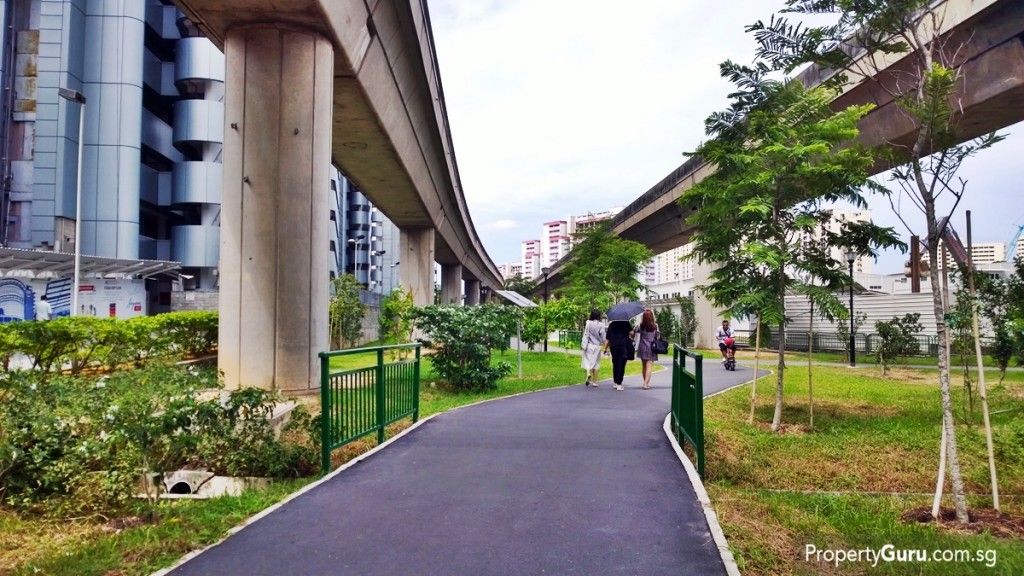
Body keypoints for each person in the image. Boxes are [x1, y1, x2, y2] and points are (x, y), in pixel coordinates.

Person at [602, 319, 634, 391]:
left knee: (615, 363)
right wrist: (630, 332)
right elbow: (632, 333)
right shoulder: (626, 323)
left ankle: (616, 382)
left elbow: (608, 338)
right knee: (621, 364)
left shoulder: (612, 324)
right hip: (623, 347)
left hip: (614, 346)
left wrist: (605, 348)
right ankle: (619, 383)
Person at [635, 309, 660, 390]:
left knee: (644, 365)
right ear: (651, 316)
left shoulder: (640, 325)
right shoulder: (655, 326)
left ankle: (645, 382)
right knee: (649, 366)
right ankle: (646, 383)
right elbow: (658, 336)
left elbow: (634, 333)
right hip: (651, 347)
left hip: (642, 347)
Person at [580, 309, 606, 386]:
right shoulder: (601, 325)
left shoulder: (588, 323)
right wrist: (606, 346)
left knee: (587, 360)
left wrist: (583, 345)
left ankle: (588, 373)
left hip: (588, 345)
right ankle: (595, 382)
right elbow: (603, 336)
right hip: (597, 346)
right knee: (596, 363)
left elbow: (586, 334)